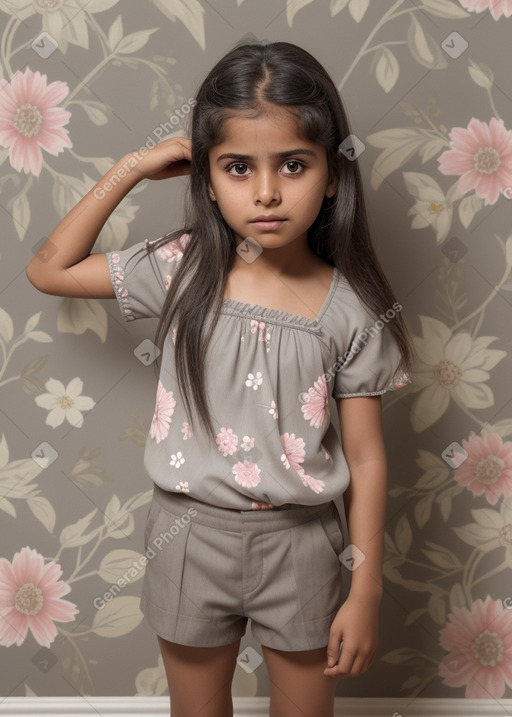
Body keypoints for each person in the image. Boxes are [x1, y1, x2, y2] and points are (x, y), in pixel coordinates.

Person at [26, 39, 414, 717]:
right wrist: (131, 168)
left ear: (331, 174)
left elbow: (367, 457)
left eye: (293, 164)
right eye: (238, 167)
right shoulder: (179, 268)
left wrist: (365, 590)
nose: (266, 191)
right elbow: (49, 269)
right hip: (187, 538)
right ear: (205, 177)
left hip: (302, 545)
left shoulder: (353, 310)